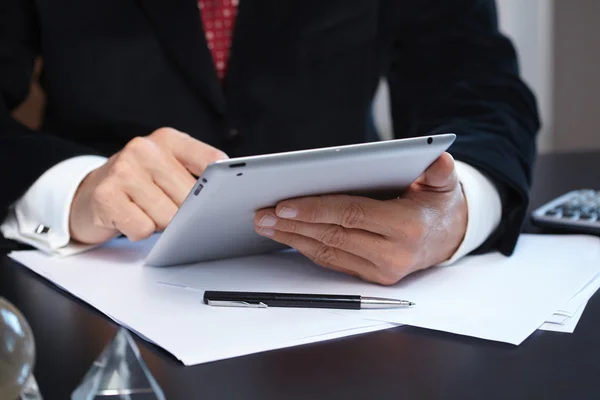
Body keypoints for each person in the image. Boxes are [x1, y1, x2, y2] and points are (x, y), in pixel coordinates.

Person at [0, 0, 539, 285]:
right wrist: (73, 188)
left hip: (350, 289)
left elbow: (477, 76)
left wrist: (457, 212)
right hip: (99, 278)